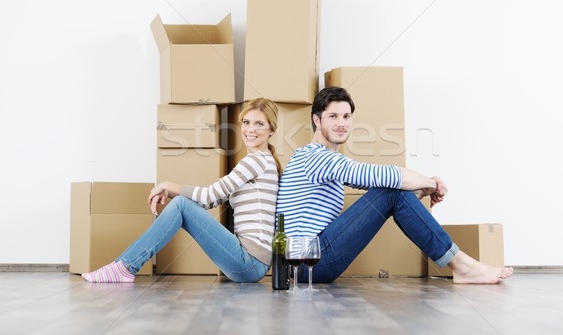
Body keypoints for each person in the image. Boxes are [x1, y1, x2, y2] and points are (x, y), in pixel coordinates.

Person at [276, 87, 513, 284]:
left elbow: (384, 198)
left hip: (313, 259)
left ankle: (462, 265)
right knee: (390, 188)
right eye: (333, 116)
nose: (341, 123)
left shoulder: (324, 161)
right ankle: (461, 265)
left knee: (392, 192)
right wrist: (431, 182)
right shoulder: (316, 157)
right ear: (317, 120)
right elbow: (386, 178)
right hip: (306, 262)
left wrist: (418, 191)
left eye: (346, 116)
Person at [83, 97, 281, 283]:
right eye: (246, 122)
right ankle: (124, 267)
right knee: (180, 204)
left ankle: (124, 267)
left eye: (259, 124)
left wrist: (168, 185)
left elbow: (208, 195)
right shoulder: (262, 161)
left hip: (250, 262)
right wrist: (172, 192)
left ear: (271, 130)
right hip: (250, 263)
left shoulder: (256, 161)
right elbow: (211, 202)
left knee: (180, 205)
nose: (250, 129)